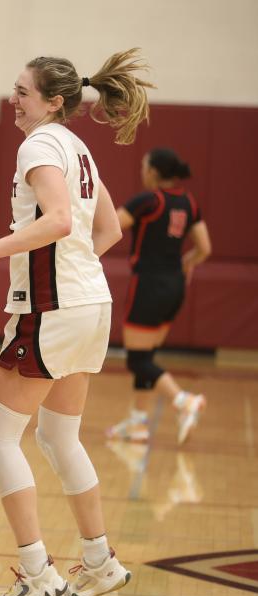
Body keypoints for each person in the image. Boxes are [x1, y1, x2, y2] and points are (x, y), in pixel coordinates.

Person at [0, 49, 152, 596]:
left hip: (54, 306)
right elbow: (105, 231)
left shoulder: (39, 144)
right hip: (89, 303)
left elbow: (60, 221)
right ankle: (99, 560)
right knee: (60, 436)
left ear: (53, 101)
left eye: (23, 92)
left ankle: (38, 574)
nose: (14, 100)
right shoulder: (79, 148)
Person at [107, 148, 211, 445]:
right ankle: (139, 424)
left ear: (153, 172)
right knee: (146, 357)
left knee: (138, 360)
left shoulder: (147, 200)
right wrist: (186, 265)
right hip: (175, 285)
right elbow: (205, 248)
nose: (141, 170)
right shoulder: (189, 202)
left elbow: (112, 225)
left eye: (143, 165)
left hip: (148, 286)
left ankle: (183, 401)